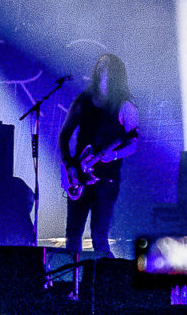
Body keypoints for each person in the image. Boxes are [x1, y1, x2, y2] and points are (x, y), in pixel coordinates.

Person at [57, 54, 139, 261]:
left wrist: (114, 154)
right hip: (79, 175)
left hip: (107, 179)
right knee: (72, 235)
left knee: (99, 236)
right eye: (101, 64)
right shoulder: (83, 101)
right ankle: (70, 277)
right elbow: (64, 135)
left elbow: (133, 143)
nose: (104, 68)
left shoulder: (125, 106)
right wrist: (69, 165)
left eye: (109, 66)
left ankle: (106, 278)